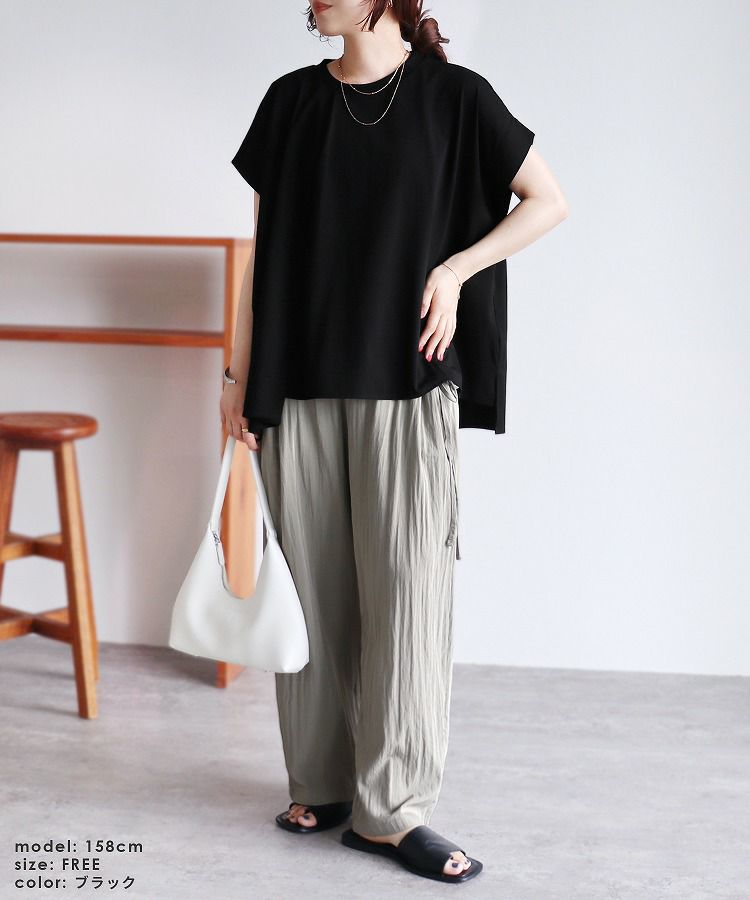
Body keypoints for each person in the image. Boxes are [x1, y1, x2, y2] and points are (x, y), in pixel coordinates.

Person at [221, 0, 568, 885]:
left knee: (407, 595)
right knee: (313, 594)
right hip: (299, 382)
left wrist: (455, 270)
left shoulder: (457, 99)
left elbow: (548, 201)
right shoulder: (290, 102)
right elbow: (262, 251)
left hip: (408, 381)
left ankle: (394, 810)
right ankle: (322, 784)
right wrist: (235, 375)